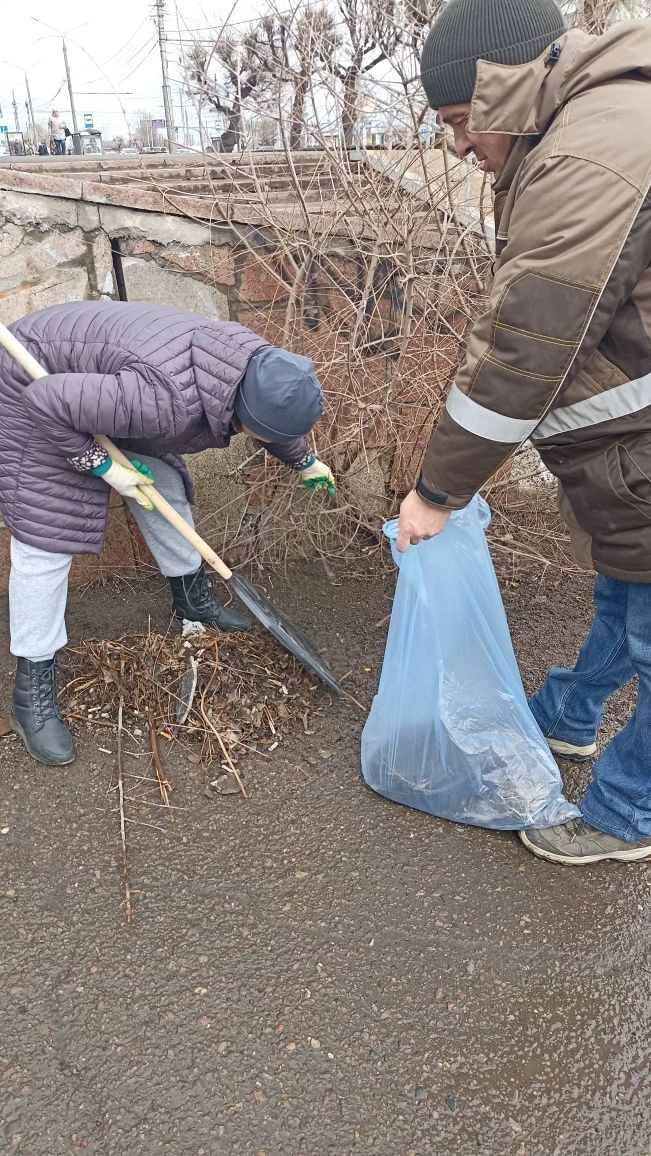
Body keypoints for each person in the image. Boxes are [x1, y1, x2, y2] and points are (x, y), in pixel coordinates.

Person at [398, 0, 651, 865]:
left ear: (506, 89)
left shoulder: (591, 149)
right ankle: (571, 717)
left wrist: (438, 491)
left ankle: (626, 814)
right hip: (630, 451)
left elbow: (525, 343)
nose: (460, 147)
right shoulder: (585, 122)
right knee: (626, 594)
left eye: (464, 122)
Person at [0, 301, 335, 768]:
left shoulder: (253, 366)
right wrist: (99, 465)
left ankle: (191, 601)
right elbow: (48, 401)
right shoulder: (165, 400)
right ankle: (30, 693)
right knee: (47, 534)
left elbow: (269, 416)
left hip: (101, 383)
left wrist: (302, 459)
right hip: (30, 382)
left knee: (163, 484)